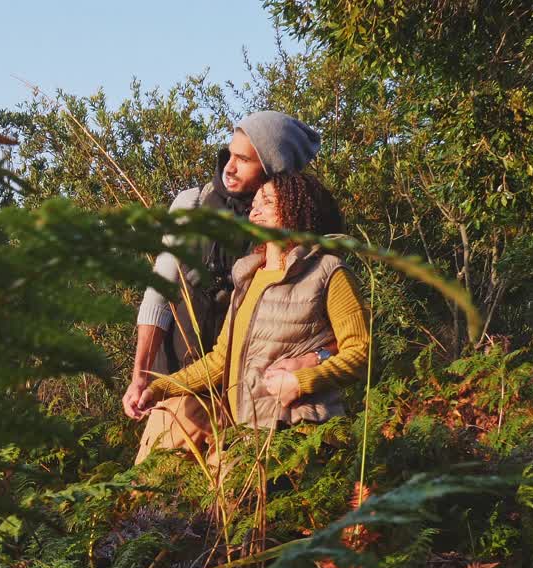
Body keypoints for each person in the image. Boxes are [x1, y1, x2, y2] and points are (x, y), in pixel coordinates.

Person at [129, 172, 369, 464]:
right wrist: (158, 388)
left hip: (299, 436)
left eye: (267, 202)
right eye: (254, 203)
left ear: (297, 207)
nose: (255, 211)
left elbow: (361, 352)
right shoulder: (249, 279)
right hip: (247, 435)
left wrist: (302, 381)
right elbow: (219, 361)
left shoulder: (328, 271)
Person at [120, 111, 322, 431]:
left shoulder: (294, 232)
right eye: (229, 153)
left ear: (272, 168)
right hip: (177, 393)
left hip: (248, 403)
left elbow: (316, 323)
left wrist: (311, 362)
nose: (229, 166)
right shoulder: (192, 205)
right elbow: (158, 295)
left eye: (243, 159)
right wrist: (141, 378)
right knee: (153, 481)